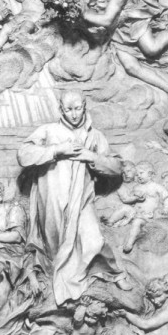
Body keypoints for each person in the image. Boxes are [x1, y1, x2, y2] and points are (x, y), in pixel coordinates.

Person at [17, 89, 131, 306]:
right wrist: (58, 150)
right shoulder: (48, 131)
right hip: (51, 200)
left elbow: (116, 167)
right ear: (61, 109)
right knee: (55, 248)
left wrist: (90, 156)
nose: (74, 114)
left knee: (94, 239)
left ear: (84, 107)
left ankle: (113, 273)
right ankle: (62, 290)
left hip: (81, 199)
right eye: (69, 109)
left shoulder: (94, 136)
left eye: (78, 108)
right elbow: (23, 154)